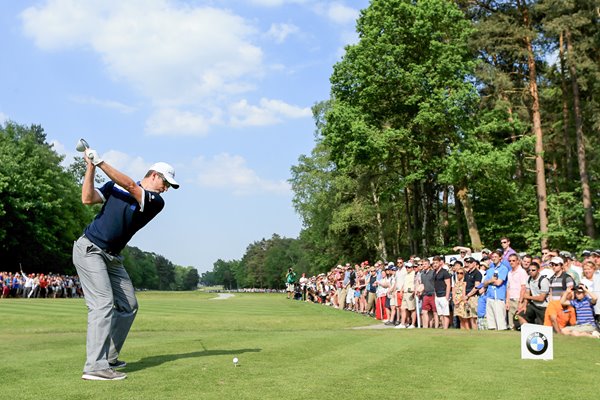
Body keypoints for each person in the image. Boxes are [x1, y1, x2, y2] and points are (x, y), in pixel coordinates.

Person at [72, 147, 179, 381]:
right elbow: (87, 199)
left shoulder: (155, 201)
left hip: (112, 257)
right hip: (90, 249)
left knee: (129, 305)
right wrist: (90, 167)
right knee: (102, 304)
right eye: (165, 183)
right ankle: (94, 367)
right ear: (154, 175)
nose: (166, 188)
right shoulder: (114, 186)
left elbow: (132, 186)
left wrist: (100, 162)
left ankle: (109, 357)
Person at [483, 250, 510, 330]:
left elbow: (499, 282)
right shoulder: (490, 270)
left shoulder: (503, 269)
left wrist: (489, 282)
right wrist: (491, 281)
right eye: (493, 257)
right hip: (489, 296)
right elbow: (484, 283)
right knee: (491, 323)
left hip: (499, 297)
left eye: (496, 257)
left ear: (500, 258)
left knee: (500, 322)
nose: (494, 258)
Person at [517, 262, 550, 326]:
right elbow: (527, 293)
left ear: (538, 270)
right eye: (529, 270)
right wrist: (524, 306)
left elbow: (541, 298)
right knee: (521, 316)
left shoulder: (544, 280)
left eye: (533, 270)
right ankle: (528, 332)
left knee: (544, 326)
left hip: (543, 307)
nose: (531, 271)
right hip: (533, 305)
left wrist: (528, 297)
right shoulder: (529, 279)